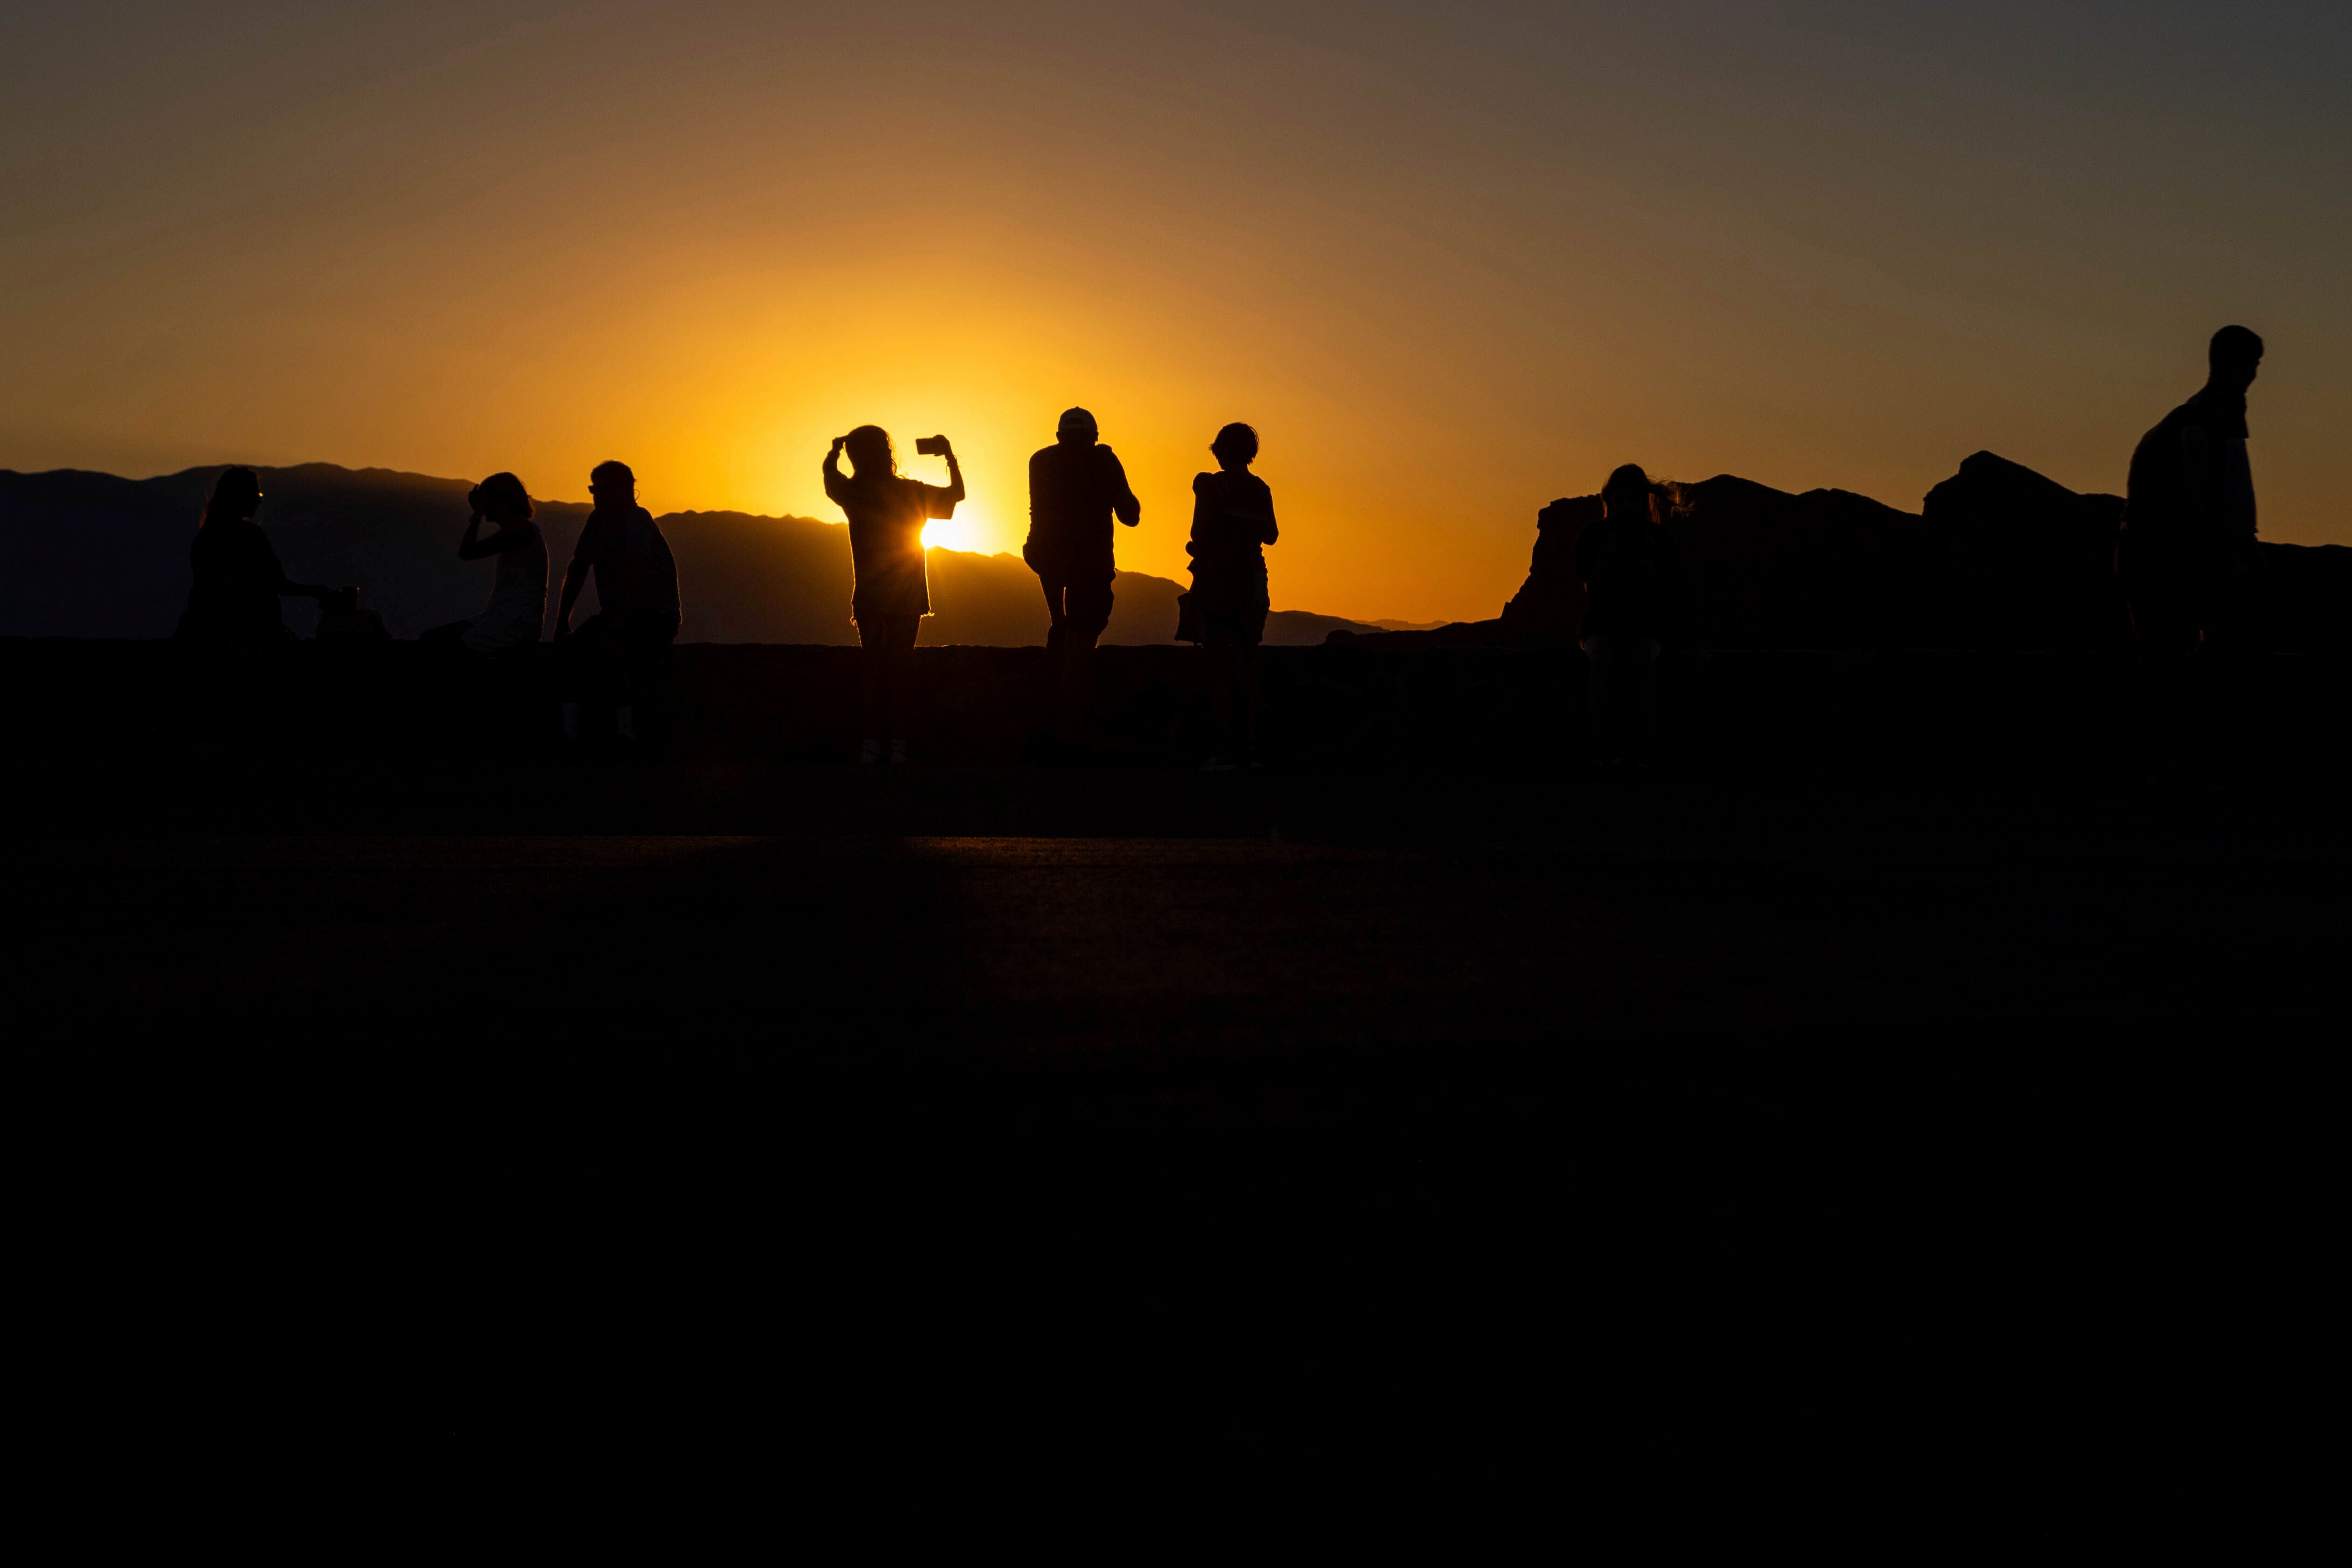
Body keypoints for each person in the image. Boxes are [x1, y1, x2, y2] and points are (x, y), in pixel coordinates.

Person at [2121, 325, 2266, 656]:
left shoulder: (2198, 416)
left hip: (2156, 551)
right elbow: (2210, 495)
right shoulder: (2204, 419)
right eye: (2252, 364)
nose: (2254, 375)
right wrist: (2239, 544)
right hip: (2163, 554)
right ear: (2238, 364)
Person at [824, 425, 964, 765]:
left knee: (873, 671)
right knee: (900, 671)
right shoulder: (912, 493)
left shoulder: (855, 493)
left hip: (870, 595)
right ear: (887, 454)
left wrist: (833, 452)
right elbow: (955, 496)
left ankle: (870, 747)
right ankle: (898, 747)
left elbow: (831, 479)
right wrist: (949, 456)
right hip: (907, 594)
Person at [1025, 407, 1141, 743]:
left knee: (1063, 634)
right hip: (1091, 562)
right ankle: (1068, 732)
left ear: (1059, 436)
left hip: (1044, 557)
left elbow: (1041, 523)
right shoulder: (1103, 461)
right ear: (1094, 437)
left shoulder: (1040, 461)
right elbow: (1130, 516)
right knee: (1080, 647)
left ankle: (1057, 624)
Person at [553, 461, 679, 744]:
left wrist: (618, 621)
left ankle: (625, 735)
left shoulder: (637, 522)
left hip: (655, 616)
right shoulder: (596, 521)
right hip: (617, 613)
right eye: (593, 489)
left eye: (601, 490)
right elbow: (578, 568)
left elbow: (634, 571)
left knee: (614, 650)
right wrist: (562, 622)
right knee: (568, 651)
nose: (596, 496)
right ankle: (570, 735)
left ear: (625, 491)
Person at [1573, 463, 1683, 768]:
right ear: (1609, 500)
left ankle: (1646, 749)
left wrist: (1646, 561)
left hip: (1646, 625)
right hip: (1601, 623)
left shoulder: (1659, 538)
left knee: (1644, 660)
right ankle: (1598, 747)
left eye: (1633, 499)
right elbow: (1590, 587)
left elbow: (1668, 590)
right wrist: (1607, 559)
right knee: (1601, 660)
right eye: (1621, 499)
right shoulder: (1593, 535)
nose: (1626, 505)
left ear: (1644, 500)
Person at [1183, 422, 1277, 770]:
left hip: (1220, 580)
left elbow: (1199, 533)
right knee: (1247, 663)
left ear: (1220, 451)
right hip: (1254, 578)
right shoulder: (1260, 488)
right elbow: (1271, 535)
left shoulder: (1212, 484)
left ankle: (1224, 749)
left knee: (1220, 665)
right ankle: (1248, 747)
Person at [176, 467, 336, 644]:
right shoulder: (250, 535)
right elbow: (278, 583)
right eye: (256, 495)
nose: (259, 501)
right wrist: (317, 591)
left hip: (208, 630)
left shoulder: (206, 536)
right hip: (251, 633)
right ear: (239, 496)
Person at [420, 473, 547, 654]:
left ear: (500, 501)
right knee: (431, 639)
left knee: (439, 647)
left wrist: (476, 515)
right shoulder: (521, 529)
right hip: (502, 620)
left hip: (513, 626)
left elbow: (467, 552)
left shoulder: (520, 530)